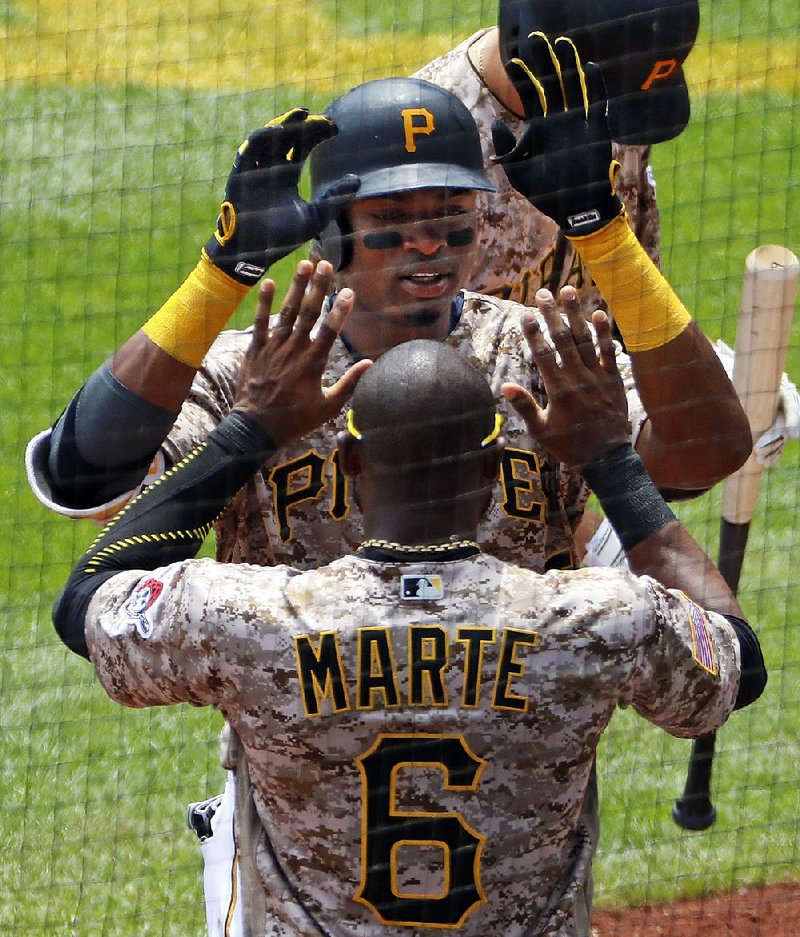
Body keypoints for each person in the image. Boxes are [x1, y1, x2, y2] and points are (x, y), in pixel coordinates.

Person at [28, 65, 753, 932]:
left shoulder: (536, 350)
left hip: (509, 767)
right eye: (390, 225)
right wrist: (222, 278)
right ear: (330, 229)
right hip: (302, 785)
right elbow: (84, 482)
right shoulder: (259, 367)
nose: (428, 248)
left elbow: (712, 447)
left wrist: (605, 234)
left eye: (451, 223)